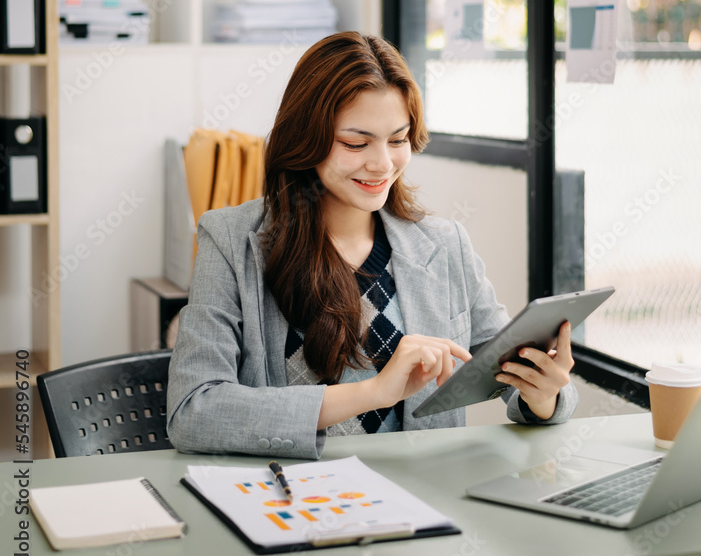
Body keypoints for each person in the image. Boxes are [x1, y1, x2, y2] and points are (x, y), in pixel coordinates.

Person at [167, 32, 577, 458]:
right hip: (293, 504)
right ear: (304, 139)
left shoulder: (444, 244)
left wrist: (542, 394)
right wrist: (374, 392)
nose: (382, 164)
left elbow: (506, 369)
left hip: (423, 503)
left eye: (398, 140)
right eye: (356, 143)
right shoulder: (231, 242)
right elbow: (193, 411)